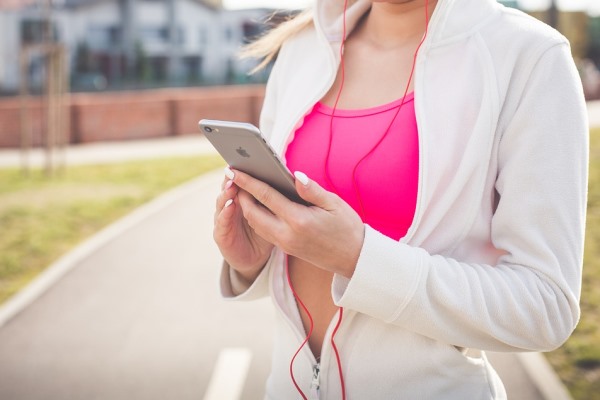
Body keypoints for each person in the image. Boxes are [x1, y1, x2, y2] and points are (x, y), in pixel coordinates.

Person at [213, 0, 588, 398]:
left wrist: (359, 258)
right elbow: (296, 241)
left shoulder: (528, 56)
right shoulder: (303, 46)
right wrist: (252, 262)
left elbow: (545, 307)